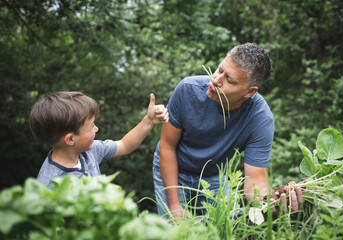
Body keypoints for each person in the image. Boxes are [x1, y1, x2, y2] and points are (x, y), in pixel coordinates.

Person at [152, 43, 302, 220]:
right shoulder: (187, 90)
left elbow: (255, 179)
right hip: (173, 168)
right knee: (175, 231)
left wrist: (270, 203)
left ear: (249, 92)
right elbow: (167, 147)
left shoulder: (260, 118)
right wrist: (175, 205)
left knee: (227, 228)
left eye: (229, 80)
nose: (215, 80)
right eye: (219, 70)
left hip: (215, 176)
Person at [29, 91, 168, 189]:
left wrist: (149, 120)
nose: (96, 129)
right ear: (70, 139)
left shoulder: (90, 151)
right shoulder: (50, 184)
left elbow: (125, 145)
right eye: (91, 127)